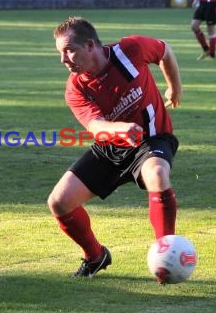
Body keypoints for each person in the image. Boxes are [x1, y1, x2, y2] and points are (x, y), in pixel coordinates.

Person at [49, 17, 183, 278]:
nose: (63, 59)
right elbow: (96, 125)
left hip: (152, 139)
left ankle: (167, 255)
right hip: (110, 147)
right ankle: (95, 256)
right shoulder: (75, 87)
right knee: (59, 202)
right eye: (60, 53)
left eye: (69, 50)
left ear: (90, 45)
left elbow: (165, 50)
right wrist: (120, 129)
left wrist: (174, 88)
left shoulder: (131, 49)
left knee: (156, 174)